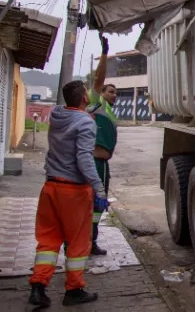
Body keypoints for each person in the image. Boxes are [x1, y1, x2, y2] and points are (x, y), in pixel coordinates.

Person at [29, 80, 109, 307]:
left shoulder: (57, 115)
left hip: (50, 188)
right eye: (87, 93)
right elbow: (84, 158)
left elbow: (80, 109)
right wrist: (99, 189)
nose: (89, 95)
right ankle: (73, 290)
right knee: (77, 242)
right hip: (73, 191)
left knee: (47, 241)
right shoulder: (85, 122)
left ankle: (38, 287)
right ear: (84, 98)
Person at [87, 34, 118, 256]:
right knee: (87, 205)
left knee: (98, 206)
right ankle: (80, 243)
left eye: (116, 92)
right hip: (93, 164)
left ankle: (91, 241)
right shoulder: (96, 104)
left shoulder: (110, 113)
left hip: (103, 166)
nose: (114, 95)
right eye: (110, 91)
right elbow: (99, 79)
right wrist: (105, 53)